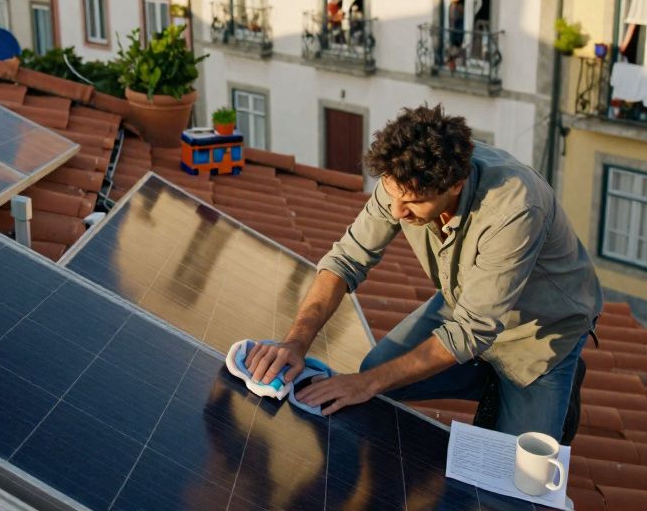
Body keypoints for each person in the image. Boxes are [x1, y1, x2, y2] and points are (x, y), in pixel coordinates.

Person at [246, 104, 603, 440]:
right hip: (466, 302)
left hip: (539, 337)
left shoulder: (515, 208)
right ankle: (483, 376)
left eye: (413, 202)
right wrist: (295, 342)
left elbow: (470, 332)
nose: (397, 211)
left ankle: (539, 389)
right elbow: (346, 260)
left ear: (455, 185)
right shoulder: (404, 179)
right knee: (379, 368)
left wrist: (365, 383)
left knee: (517, 476)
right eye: (390, 194)